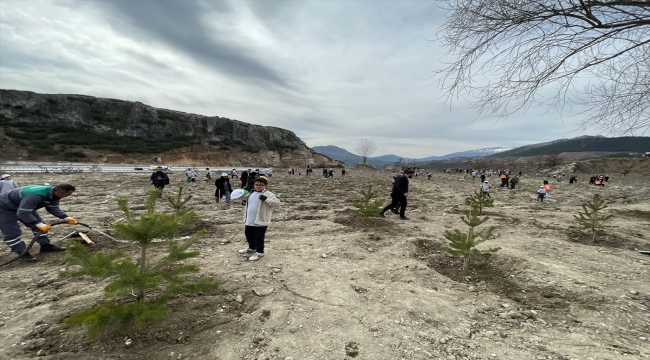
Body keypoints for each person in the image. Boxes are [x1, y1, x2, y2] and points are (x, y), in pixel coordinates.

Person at [0, 184, 77, 262]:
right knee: (11, 232)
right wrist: (38, 224)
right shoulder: (35, 195)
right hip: (4, 207)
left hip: (23, 206)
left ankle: (45, 246)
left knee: (40, 226)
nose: (69, 196)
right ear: (60, 192)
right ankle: (22, 253)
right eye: (68, 194)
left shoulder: (54, 194)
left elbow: (53, 207)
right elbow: (23, 213)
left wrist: (65, 217)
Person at [238, 177, 280, 261]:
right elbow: (250, 203)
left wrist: (266, 199)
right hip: (249, 220)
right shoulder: (251, 193)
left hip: (260, 220)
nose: (258, 186)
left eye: (261, 185)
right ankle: (252, 248)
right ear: (254, 185)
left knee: (258, 237)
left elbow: (277, 203)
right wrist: (244, 200)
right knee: (249, 235)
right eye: (257, 184)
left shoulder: (268, 194)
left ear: (265, 186)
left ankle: (260, 252)